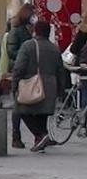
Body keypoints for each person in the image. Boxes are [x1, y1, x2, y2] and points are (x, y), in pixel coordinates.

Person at [11, 20, 67, 153]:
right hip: (50, 87)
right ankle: (39, 140)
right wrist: (61, 90)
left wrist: (15, 84)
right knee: (42, 114)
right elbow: (61, 71)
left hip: (32, 85)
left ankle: (41, 136)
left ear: (35, 31)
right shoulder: (54, 48)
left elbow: (19, 68)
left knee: (22, 110)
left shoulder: (28, 46)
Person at [7, 4, 37, 148]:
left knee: (32, 101)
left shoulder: (32, 31)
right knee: (19, 105)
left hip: (31, 70)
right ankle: (16, 136)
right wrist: (26, 54)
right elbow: (11, 52)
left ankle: (38, 134)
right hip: (19, 70)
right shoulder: (17, 32)